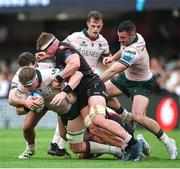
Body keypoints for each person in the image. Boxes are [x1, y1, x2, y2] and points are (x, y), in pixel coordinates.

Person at [36, 32, 144, 161]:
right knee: (94, 128)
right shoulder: (55, 54)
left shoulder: (64, 49)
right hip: (80, 93)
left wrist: (59, 79)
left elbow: (75, 64)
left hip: (92, 85)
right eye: (44, 51)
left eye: (47, 49)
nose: (46, 52)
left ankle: (134, 143)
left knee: (98, 120)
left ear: (53, 43)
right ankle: (127, 148)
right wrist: (43, 58)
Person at [100, 20, 178, 160]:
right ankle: (125, 115)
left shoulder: (134, 49)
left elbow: (115, 69)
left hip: (142, 83)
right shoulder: (131, 39)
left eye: (123, 38)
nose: (120, 40)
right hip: (127, 78)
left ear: (132, 35)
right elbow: (122, 50)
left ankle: (167, 141)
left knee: (138, 117)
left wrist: (97, 81)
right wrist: (112, 57)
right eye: (119, 37)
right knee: (101, 93)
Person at [8, 52, 70, 158]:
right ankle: (30, 149)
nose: (26, 70)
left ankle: (58, 146)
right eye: (23, 68)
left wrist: (66, 90)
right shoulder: (19, 75)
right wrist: (26, 103)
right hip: (37, 100)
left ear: (34, 63)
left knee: (66, 132)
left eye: (28, 66)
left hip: (54, 97)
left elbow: (67, 68)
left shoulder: (48, 68)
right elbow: (12, 99)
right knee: (26, 127)